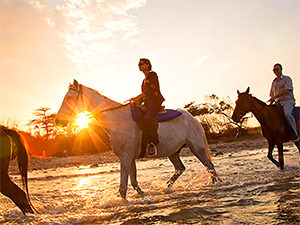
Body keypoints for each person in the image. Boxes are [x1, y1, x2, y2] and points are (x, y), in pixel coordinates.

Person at [130, 58, 165, 155]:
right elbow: (144, 95)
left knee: (147, 118)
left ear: (148, 65)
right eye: (139, 64)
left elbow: (149, 92)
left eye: (141, 64)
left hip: (155, 102)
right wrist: (136, 101)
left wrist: (137, 98)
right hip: (147, 103)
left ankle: (153, 142)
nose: (139, 65)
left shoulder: (152, 75)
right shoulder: (143, 81)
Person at [269, 63, 299, 142]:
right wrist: (269, 104)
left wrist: (275, 97)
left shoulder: (287, 79)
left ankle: (295, 134)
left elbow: (287, 90)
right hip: (278, 103)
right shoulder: (274, 82)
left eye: (277, 69)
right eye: (274, 70)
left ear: (281, 70)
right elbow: (272, 95)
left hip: (287, 101)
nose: (276, 71)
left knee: (287, 114)